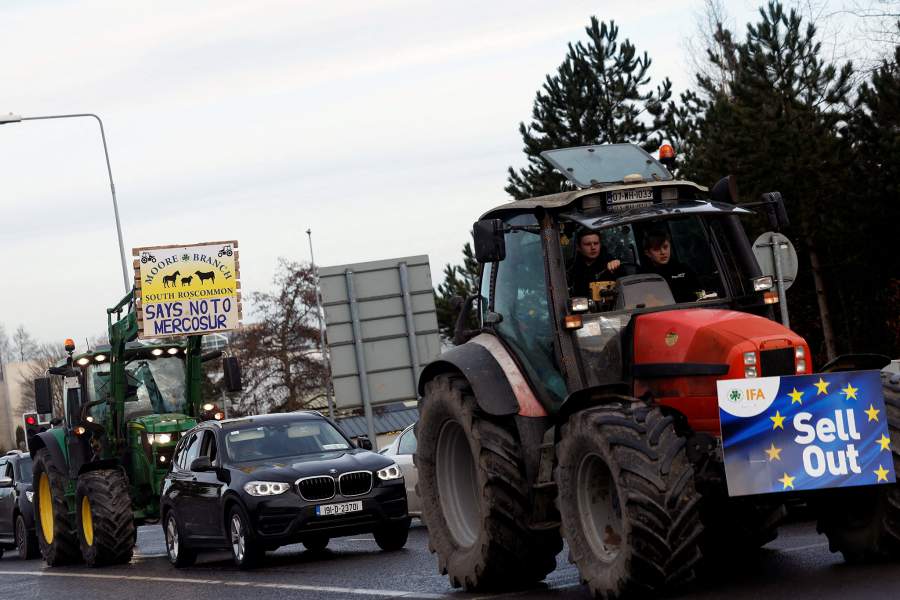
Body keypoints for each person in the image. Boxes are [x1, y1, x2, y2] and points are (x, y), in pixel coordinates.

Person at [641, 229, 702, 303]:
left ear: (670, 246)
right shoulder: (644, 277)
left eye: (665, 247)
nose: (663, 252)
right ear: (648, 253)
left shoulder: (683, 269)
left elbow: (701, 293)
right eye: (656, 249)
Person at [567, 229, 622, 299]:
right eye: (588, 244)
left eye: (596, 243)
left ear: (600, 244)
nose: (593, 247)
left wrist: (617, 268)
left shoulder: (611, 263)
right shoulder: (571, 267)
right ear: (578, 247)